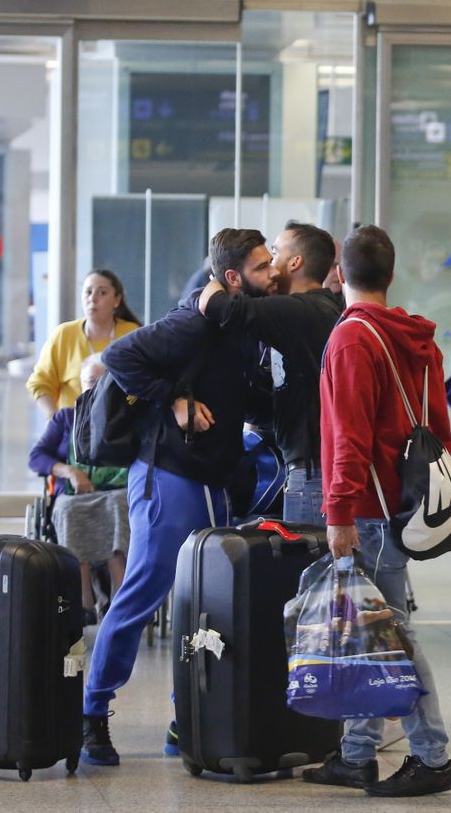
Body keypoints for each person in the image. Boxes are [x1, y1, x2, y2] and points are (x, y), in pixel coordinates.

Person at [80, 228, 276, 766]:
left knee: (205, 604)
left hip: (213, 477)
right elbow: (120, 356)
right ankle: (91, 715)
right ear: (233, 278)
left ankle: (183, 718)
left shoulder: (242, 323)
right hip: (168, 473)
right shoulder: (195, 318)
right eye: (262, 267)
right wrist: (176, 401)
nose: (273, 273)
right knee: (144, 591)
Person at [300, 225, 451, 798]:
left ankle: (432, 756)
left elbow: (348, 437)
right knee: (373, 627)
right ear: (389, 276)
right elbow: (439, 429)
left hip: (366, 509)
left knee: (391, 635)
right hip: (401, 505)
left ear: (339, 271)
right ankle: (357, 754)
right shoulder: (416, 338)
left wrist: (337, 510)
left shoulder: (352, 339)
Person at [197, 220, 345, 523]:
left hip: (312, 476)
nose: (270, 262)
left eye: (275, 253)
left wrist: (215, 279)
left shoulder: (302, 310)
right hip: (307, 469)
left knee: (309, 568)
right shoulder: (310, 310)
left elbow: (218, 306)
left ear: (295, 262)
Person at [27, 354, 129, 626]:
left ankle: (119, 600)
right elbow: (36, 457)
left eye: (102, 381)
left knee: (120, 503)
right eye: (89, 382)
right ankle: (83, 600)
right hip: (74, 496)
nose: (95, 388)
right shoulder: (65, 419)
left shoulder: (126, 420)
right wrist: (69, 471)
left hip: (115, 493)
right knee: (68, 508)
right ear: (81, 385)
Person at [27, 270, 141, 416]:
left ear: (117, 300)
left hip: (121, 429)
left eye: (102, 293)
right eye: (88, 292)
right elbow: (40, 383)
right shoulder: (64, 334)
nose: (92, 298)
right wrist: (56, 420)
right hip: (73, 430)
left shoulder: (132, 334)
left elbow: (141, 384)